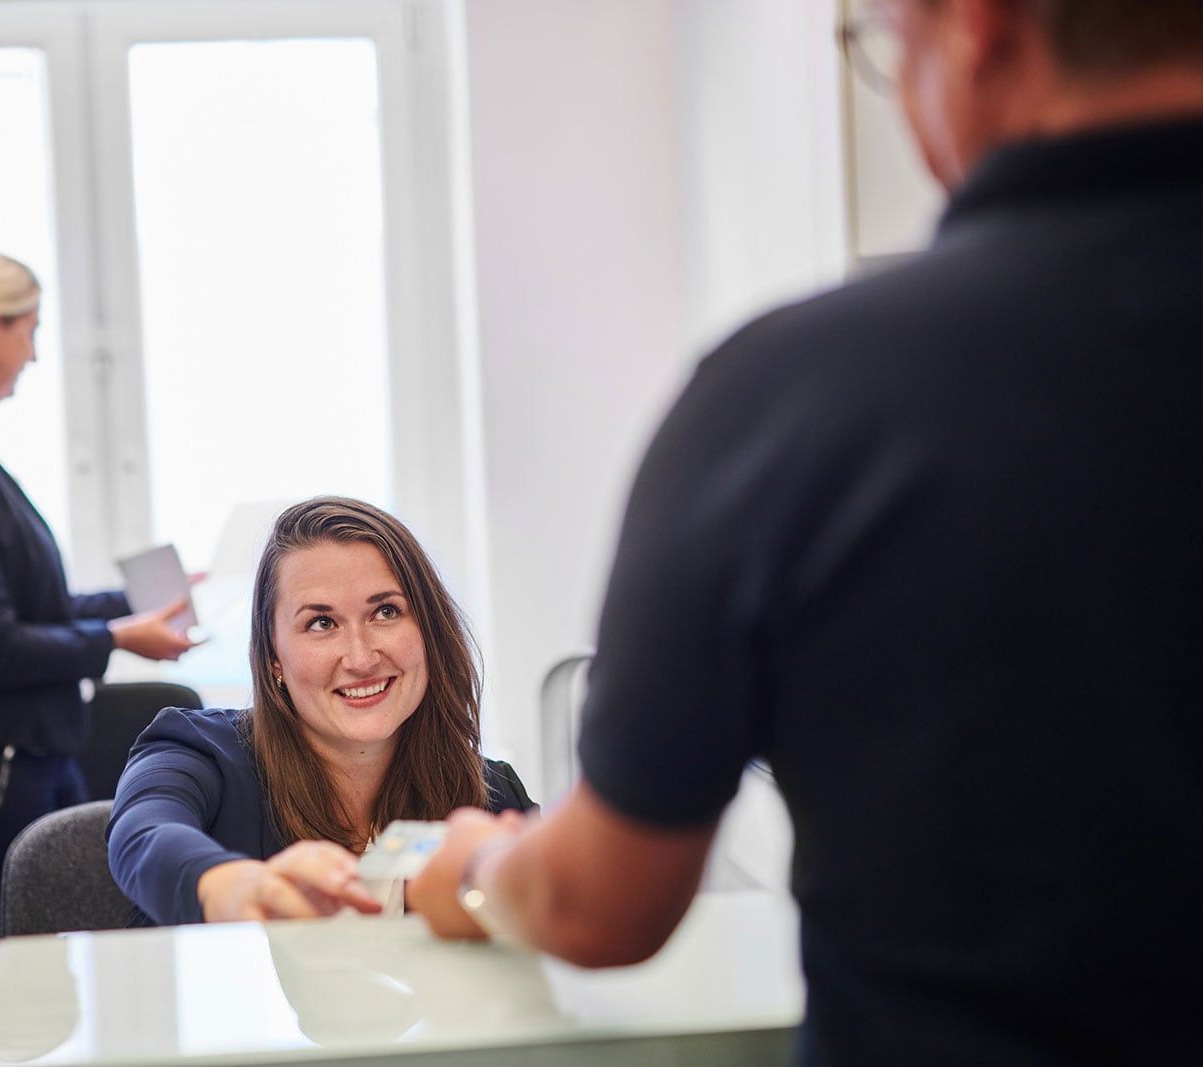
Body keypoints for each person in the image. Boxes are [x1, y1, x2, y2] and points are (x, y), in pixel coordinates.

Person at [413, 2, 1203, 1064]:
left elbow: (598, 902)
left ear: (973, 31)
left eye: (888, 50)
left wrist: (472, 865)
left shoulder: (795, 401)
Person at [0, 248, 197, 941]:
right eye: (32, 330)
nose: (35, 354)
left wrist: (137, 602)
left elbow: (25, 610)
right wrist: (118, 637)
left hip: (19, 765)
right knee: (5, 999)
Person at [106, 496, 534, 925]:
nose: (361, 658)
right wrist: (224, 884)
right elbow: (141, 835)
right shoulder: (197, 752)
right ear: (274, 656)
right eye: (321, 623)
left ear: (428, 631)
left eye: (385, 612)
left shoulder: (492, 796)